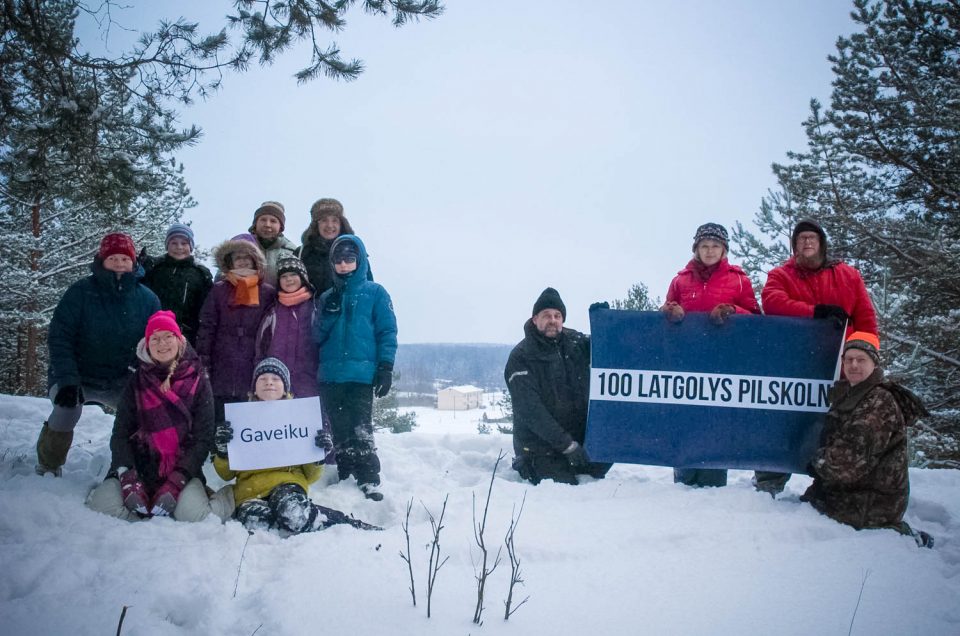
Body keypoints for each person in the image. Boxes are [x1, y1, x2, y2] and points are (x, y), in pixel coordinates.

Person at [756, 218, 879, 495]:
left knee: (836, 426)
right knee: (783, 422)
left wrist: (867, 356)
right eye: (801, 239)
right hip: (794, 366)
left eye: (812, 238)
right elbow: (773, 302)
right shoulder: (781, 275)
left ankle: (830, 485)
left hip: (840, 366)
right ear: (794, 246)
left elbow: (866, 319)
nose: (807, 242)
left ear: (821, 243)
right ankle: (769, 482)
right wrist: (815, 312)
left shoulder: (848, 276)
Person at [37, 232, 161, 476]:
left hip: (121, 378)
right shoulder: (80, 292)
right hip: (78, 377)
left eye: (124, 258)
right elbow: (60, 337)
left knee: (146, 412)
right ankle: (48, 465)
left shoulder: (147, 299)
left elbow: (155, 342)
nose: (119, 262)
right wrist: (68, 380)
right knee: (66, 410)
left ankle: (133, 466)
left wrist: (140, 371)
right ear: (102, 259)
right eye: (113, 257)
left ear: (133, 262)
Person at [213, 357, 377, 533]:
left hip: (288, 486)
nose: (269, 383)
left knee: (294, 514)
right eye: (263, 379)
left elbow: (312, 476)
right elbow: (226, 474)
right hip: (249, 492)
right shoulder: (238, 420)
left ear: (285, 387)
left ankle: (347, 525)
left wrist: (318, 455)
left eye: (276, 379)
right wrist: (223, 451)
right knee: (256, 525)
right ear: (254, 387)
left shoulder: (300, 418)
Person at [800, 332, 932, 547]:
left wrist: (816, 462)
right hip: (845, 493)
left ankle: (903, 538)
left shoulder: (879, 402)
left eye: (861, 360)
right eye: (849, 360)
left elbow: (848, 462)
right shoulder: (851, 394)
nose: (853, 365)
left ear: (874, 364)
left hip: (868, 504)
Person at [85, 311, 215, 521]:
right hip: (138, 467)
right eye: (154, 338)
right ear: (147, 344)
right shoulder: (136, 381)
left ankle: (219, 499)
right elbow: (120, 433)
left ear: (178, 339)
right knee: (101, 506)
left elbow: (203, 437)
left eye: (167, 337)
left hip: (182, 469)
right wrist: (128, 476)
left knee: (192, 515)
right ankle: (140, 520)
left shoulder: (198, 378)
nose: (161, 343)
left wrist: (177, 480)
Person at [660, 222, 761, 488]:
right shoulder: (680, 280)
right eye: (704, 246)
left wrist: (732, 311)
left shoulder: (739, 280)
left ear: (724, 249)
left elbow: (756, 317)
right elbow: (667, 312)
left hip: (723, 364)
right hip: (688, 363)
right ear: (696, 249)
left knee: (716, 420)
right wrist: (670, 311)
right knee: (686, 417)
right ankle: (683, 474)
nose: (709, 251)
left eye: (715, 246)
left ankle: (715, 476)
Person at [313, 235, 397, 501]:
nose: (344, 264)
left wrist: (385, 366)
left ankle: (369, 477)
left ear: (359, 261)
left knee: (361, 428)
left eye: (349, 259)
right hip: (331, 375)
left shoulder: (376, 293)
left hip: (361, 376)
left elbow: (387, 332)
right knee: (339, 428)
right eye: (338, 260)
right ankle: (346, 474)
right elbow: (315, 336)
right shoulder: (327, 297)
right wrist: (328, 314)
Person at [505, 287, 611, 485]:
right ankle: (528, 464)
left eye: (557, 315)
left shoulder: (575, 343)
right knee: (564, 487)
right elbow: (531, 411)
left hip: (578, 441)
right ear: (535, 319)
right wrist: (567, 445)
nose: (552, 320)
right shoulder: (521, 358)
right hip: (539, 446)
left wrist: (605, 323)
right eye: (546, 315)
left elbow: (609, 347)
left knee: (600, 465)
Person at [196, 234, 277, 427]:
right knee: (220, 417)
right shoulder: (219, 290)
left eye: (246, 256)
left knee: (250, 418)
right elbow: (207, 325)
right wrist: (204, 358)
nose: (242, 261)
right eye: (237, 257)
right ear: (230, 261)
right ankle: (219, 455)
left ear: (255, 259)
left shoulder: (267, 292)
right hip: (221, 360)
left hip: (253, 361)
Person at [141, 223, 213, 346]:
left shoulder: (201, 274)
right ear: (167, 245)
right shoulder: (153, 268)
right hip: (154, 332)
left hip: (185, 336)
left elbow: (206, 310)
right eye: (174, 243)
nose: (179, 247)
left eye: (184, 243)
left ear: (190, 247)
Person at [295, 197, 372, 296]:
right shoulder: (301, 253)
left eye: (335, 220)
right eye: (324, 220)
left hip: (349, 310)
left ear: (342, 224)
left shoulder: (356, 251)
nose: (329, 225)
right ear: (315, 225)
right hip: (313, 310)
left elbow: (369, 290)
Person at [248, 201, 297, 286]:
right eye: (263, 220)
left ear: (280, 227)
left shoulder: (291, 252)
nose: (267, 224)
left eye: (273, 221)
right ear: (255, 224)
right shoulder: (242, 247)